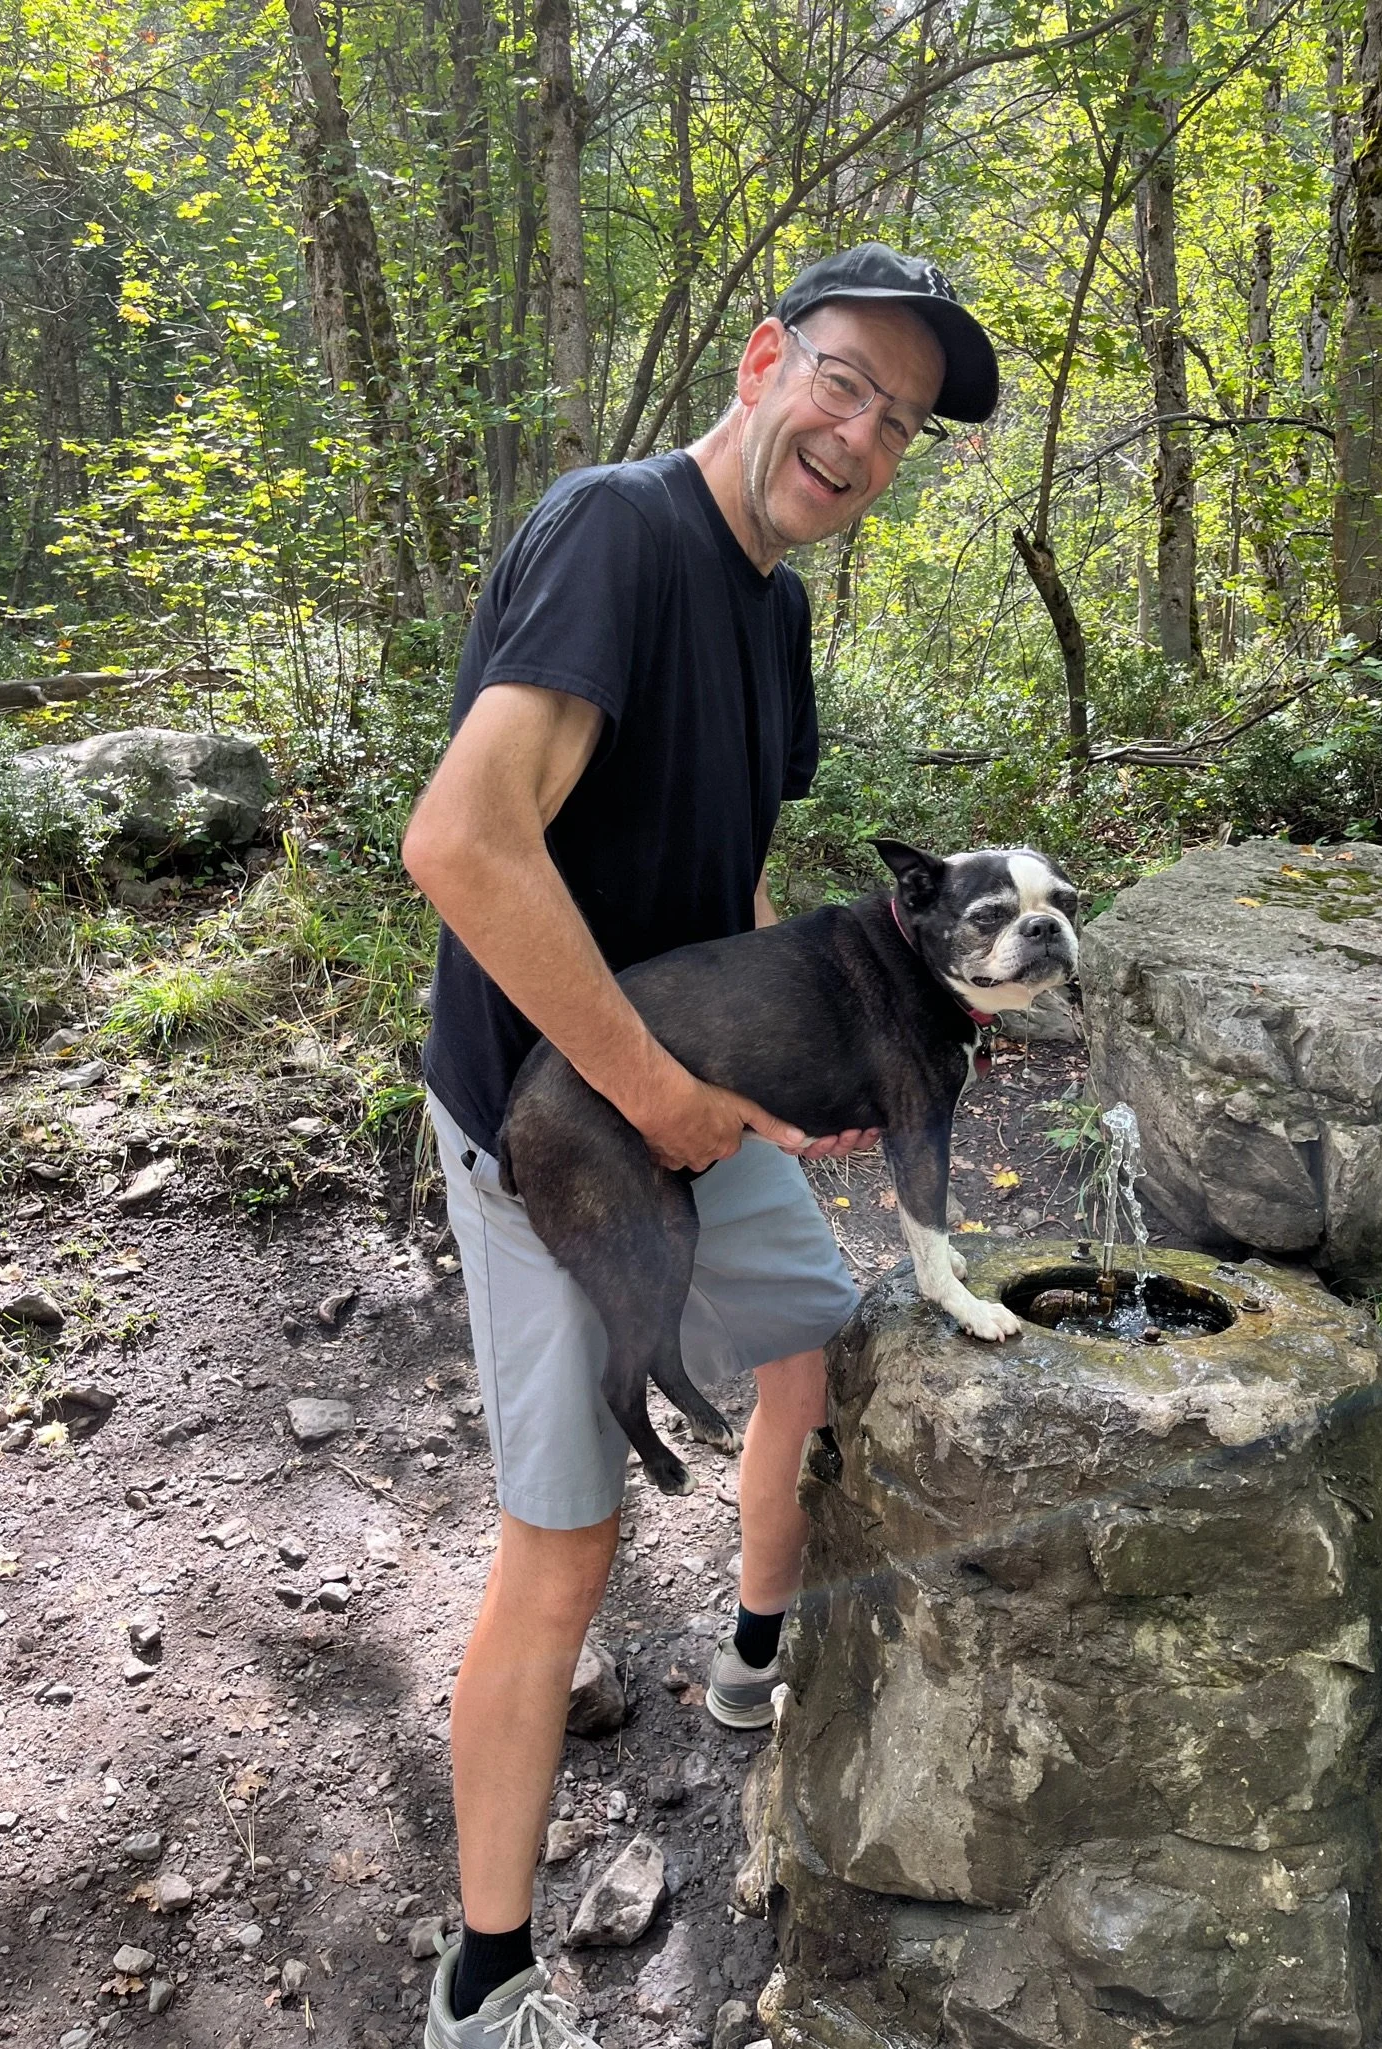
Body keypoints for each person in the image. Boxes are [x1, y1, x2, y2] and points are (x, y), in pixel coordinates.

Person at [402, 243, 1000, 2049]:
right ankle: (486, 1976)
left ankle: (753, 1655)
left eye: (897, 423)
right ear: (764, 362)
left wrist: (763, 1052)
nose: (860, 433)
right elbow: (464, 841)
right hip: (552, 1111)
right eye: (844, 383)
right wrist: (662, 1102)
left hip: (683, 1082)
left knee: (811, 1327)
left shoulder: (776, 607)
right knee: (563, 1537)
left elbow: (725, 873)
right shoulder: (620, 533)